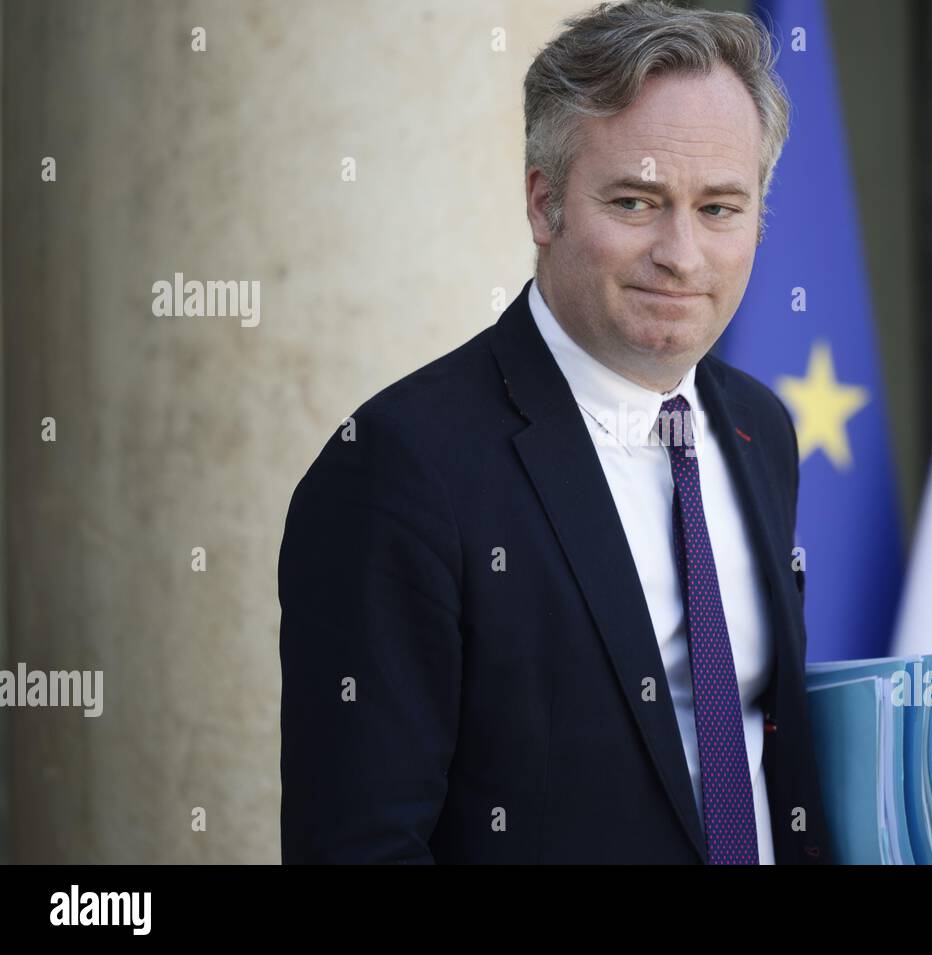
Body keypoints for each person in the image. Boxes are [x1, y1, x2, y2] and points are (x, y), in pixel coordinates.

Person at [278, 0, 830, 864]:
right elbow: (361, 845)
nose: (682, 254)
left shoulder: (760, 428)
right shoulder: (397, 470)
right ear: (544, 204)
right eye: (638, 201)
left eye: (721, 207)